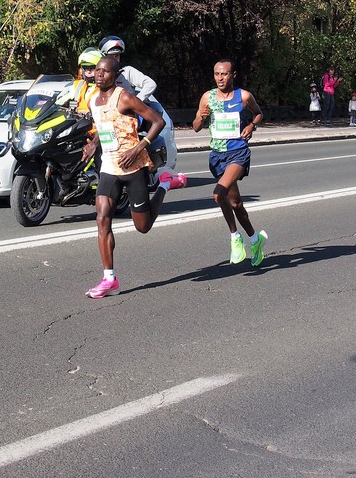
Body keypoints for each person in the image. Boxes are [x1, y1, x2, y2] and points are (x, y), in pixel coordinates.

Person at [81, 56, 187, 299]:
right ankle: (110, 278)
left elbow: (157, 121)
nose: (99, 75)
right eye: (97, 71)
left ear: (114, 76)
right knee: (102, 216)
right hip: (109, 165)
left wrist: (139, 148)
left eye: (105, 72)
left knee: (143, 226)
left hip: (133, 165)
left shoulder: (125, 97)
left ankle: (164, 184)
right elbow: (103, 126)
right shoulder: (93, 100)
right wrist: (93, 145)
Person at [192, 59, 268, 267]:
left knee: (219, 193)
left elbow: (259, 113)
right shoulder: (207, 97)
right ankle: (255, 239)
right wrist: (201, 116)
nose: (220, 78)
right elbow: (196, 126)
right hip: (217, 155)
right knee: (235, 203)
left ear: (233, 75)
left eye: (224, 74)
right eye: (217, 74)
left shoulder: (243, 96)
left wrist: (252, 126)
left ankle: (235, 238)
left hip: (238, 153)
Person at [100, 34, 177, 172]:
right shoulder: (99, 75)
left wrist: (137, 101)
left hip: (128, 119)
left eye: (117, 56)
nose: (115, 59)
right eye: (111, 56)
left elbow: (150, 84)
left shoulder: (127, 72)